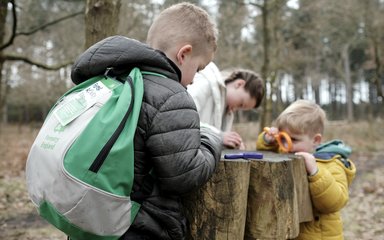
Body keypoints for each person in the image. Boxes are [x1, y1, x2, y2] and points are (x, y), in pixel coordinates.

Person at [71, 3, 222, 240]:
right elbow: (183, 176)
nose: (194, 79)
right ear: (184, 54)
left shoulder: (109, 80)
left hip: (86, 216)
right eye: (199, 68)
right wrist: (212, 138)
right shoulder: (172, 96)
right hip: (135, 228)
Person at [256, 99, 356, 240]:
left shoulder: (332, 163)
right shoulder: (288, 152)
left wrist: (316, 172)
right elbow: (265, 153)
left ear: (315, 140)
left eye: (294, 140)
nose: (286, 146)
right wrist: (268, 140)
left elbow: (334, 203)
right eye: (283, 139)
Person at [187, 62, 264, 149]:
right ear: (239, 84)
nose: (236, 109)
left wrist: (232, 143)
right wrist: (219, 136)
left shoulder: (226, 109)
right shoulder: (204, 84)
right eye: (241, 104)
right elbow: (184, 118)